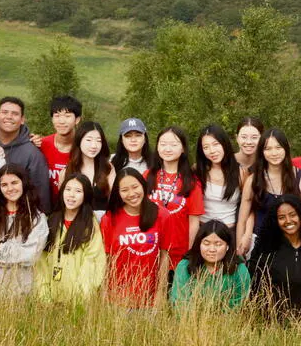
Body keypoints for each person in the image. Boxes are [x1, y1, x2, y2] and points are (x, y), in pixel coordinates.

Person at [0, 165, 50, 297]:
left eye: (14, 183)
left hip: (19, 289)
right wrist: (13, 253)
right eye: (4, 185)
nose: (10, 188)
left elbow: (31, 256)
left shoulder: (36, 218)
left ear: (23, 183)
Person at [34, 174, 107, 303]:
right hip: (49, 302)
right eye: (68, 189)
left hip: (78, 303)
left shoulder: (90, 224)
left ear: (86, 195)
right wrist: (44, 298)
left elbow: (93, 262)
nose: (71, 195)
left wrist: (79, 300)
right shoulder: (51, 220)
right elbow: (41, 263)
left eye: (78, 191)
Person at [102, 168, 168, 308]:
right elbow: (106, 259)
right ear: (118, 193)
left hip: (150, 299)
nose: (131, 194)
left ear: (143, 185)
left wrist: (161, 294)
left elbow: (164, 257)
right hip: (118, 299)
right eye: (124, 190)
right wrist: (104, 293)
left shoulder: (161, 215)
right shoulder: (109, 219)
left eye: (135, 187)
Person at [248, 195, 301, 314]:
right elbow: (254, 288)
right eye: (282, 217)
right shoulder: (266, 248)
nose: (288, 221)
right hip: (272, 319)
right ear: (275, 221)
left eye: (293, 215)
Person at [236, 128, 301, 257]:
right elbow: (242, 219)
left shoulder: (300, 177)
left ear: (286, 148)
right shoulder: (253, 180)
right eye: (268, 149)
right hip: (259, 242)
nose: (274, 153)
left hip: (290, 242)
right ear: (262, 152)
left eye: (278, 147)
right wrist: (240, 246)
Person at [147, 126, 203, 269]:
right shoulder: (147, 176)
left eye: (174, 144)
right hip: (150, 249)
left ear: (183, 148)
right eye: (163, 144)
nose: (168, 148)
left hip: (178, 252)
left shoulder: (191, 181)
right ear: (157, 148)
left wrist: (191, 253)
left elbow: (194, 222)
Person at [169, 219, 250, 310]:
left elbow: (238, 305)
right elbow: (179, 303)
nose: (212, 249)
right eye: (206, 243)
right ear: (199, 244)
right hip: (189, 322)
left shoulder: (239, 269)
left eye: (218, 244)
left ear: (227, 246)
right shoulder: (185, 266)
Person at [0, 97, 53, 214]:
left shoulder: (32, 153)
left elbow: (41, 193)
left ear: (22, 119)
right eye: (4, 112)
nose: (9, 116)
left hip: (19, 216)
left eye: (15, 114)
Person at [194, 124, 241, 229]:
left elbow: (248, 207)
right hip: (203, 231)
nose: (212, 151)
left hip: (229, 231)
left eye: (215, 144)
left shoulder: (241, 172)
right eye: (206, 147)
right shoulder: (197, 170)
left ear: (224, 143)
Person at [34, 96, 81, 200]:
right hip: (44, 208)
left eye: (67, 116)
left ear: (77, 120)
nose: (61, 121)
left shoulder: (84, 148)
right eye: (57, 115)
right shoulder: (40, 145)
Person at [65, 120, 114, 210]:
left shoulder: (108, 168)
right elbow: (63, 203)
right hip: (77, 222)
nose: (94, 145)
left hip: (101, 221)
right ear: (79, 140)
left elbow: (114, 201)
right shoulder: (67, 171)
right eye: (89, 140)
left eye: (98, 141)